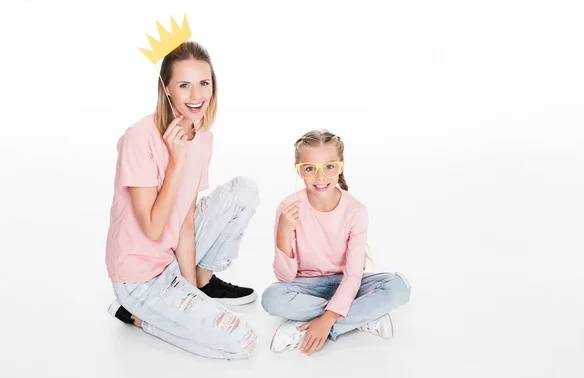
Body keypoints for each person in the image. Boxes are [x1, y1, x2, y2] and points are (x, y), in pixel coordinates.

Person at [105, 41, 258, 359]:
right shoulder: (140, 137)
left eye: (204, 83)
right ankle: (137, 317)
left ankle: (203, 282)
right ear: (167, 90)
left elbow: (185, 220)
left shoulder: (203, 139)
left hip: (171, 257)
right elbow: (152, 228)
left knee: (244, 190)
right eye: (184, 85)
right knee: (242, 343)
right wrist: (176, 163)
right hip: (140, 277)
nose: (197, 95)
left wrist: (190, 289)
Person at [261, 130, 411, 355]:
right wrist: (283, 232)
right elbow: (285, 277)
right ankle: (360, 318)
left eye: (329, 167)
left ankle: (311, 326)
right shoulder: (288, 207)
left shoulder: (356, 211)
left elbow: (353, 276)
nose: (320, 177)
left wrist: (327, 319)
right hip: (306, 285)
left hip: (348, 283)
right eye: (310, 168)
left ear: (340, 166)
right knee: (271, 298)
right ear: (299, 170)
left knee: (398, 286)